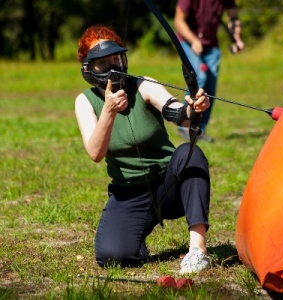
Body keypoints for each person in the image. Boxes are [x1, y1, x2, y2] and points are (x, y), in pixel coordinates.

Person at [75, 25, 211, 274]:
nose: (112, 68)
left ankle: (198, 250)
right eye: (102, 64)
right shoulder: (85, 102)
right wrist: (108, 111)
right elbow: (95, 153)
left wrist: (194, 108)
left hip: (169, 184)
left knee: (189, 154)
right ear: (88, 69)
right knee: (111, 256)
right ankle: (135, 239)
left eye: (115, 59)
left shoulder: (142, 85)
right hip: (129, 193)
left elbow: (177, 113)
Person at [175, 0, 245, 142]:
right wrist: (194, 40)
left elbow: (233, 17)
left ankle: (200, 129)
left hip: (211, 45)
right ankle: (185, 125)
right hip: (188, 41)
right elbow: (178, 21)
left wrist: (236, 38)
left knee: (210, 84)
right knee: (199, 77)